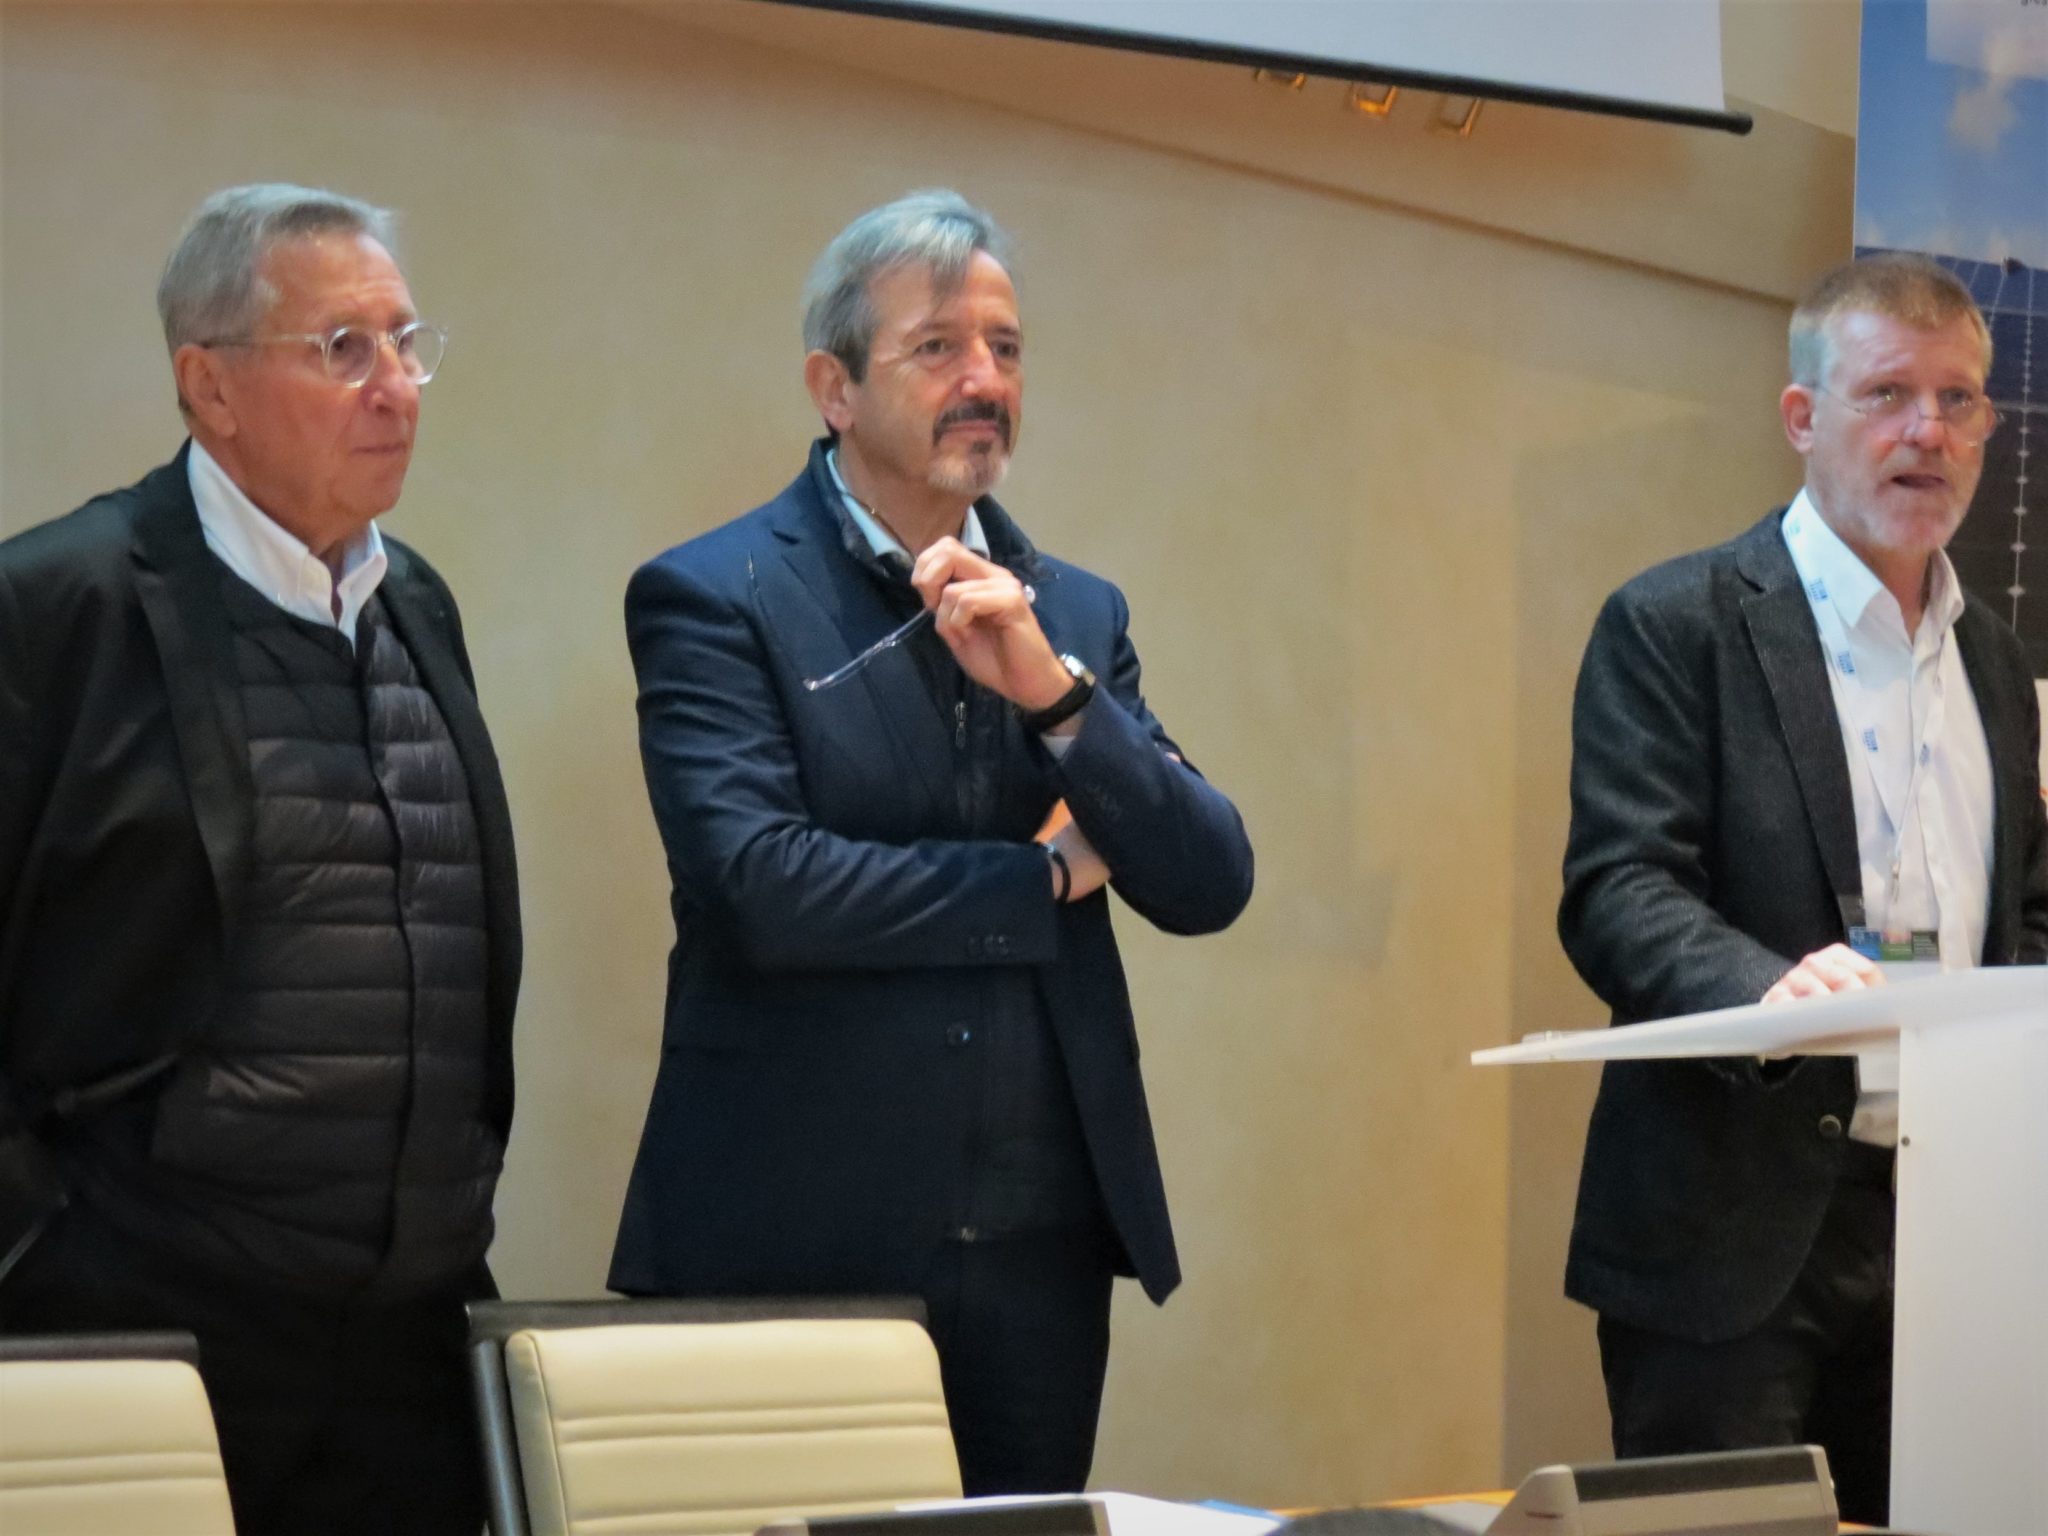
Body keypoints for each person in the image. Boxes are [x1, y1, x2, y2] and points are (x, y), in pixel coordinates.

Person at [609, 189, 1254, 1494]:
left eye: (1005, 349)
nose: (984, 382)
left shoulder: (1072, 609)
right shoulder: (714, 596)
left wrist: (1056, 696)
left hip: (1037, 1249)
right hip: (796, 1233)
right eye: (939, 348)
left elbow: (1206, 877)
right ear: (834, 389)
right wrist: (1042, 876)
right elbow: (765, 891)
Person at [0, 183, 521, 1536]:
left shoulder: (419, 605)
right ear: (210, 386)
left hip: (407, 1345)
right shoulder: (60, 606)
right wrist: (40, 1248)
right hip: (150, 1329)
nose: (395, 387)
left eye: (405, 343)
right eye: (343, 348)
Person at [1558, 253, 2048, 1525]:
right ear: (1800, 417)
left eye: (1956, 399)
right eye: (1885, 393)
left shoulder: (1995, 662)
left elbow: (2024, 911)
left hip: (1950, 1233)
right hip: (1729, 1232)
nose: (1925, 431)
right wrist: (1771, 991)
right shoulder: (1676, 623)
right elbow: (1618, 889)